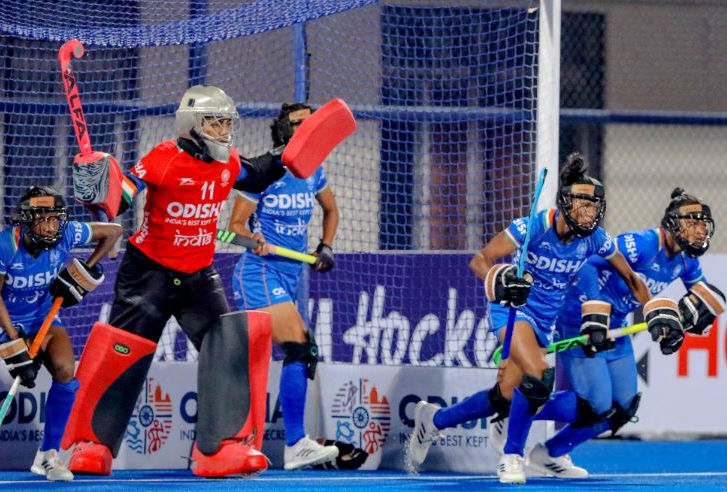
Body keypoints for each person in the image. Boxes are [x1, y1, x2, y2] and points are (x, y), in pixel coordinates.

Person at [61, 85, 292, 478]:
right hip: (147, 274)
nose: (223, 131)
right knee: (121, 354)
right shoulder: (163, 158)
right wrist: (98, 188)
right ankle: (90, 444)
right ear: (192, 125)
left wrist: (291, 152)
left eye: (226, 123)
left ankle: (220, 448)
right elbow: (122, 197)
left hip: (199, 276)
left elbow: (254, 175)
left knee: (229, 347)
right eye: (215, 122)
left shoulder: (227, 163)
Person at [407, 154, 661, 484]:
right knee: (540, 377)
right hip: (514, 312)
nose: (590, 213)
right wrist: (501, 278)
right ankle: (512, 457)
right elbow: (481, 260)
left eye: (594, 207)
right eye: (584, 206)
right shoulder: (533, 227)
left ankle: (433, 420)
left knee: (504, 397)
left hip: (544, 322)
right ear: (566, 204)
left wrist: (655, 310)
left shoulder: (595, 239)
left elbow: (630, 278)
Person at [513, 187, 722, 478]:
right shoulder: (643, 244)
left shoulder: (687, 260)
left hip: (618, 327)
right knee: (595, 405)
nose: (700, 231)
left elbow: (704, 295)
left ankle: (547, 455)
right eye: (693, 223)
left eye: (702, 225)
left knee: (622, 408)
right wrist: (595, 307)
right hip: (580, 320)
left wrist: (694, 319)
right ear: (673, 223)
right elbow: (588, 261)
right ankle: (512, 407)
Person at [0, 186, 122, 481]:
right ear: (26, 221)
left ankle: (48, 455)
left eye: (55, 218)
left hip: (40, 316)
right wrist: (15, 341)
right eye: (42, 219)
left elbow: (114, 232)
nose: (50, 226)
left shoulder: (67, 233)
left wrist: (83, 271)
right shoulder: (4, 245)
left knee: (65, 370)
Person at [229, 102, 345, 470]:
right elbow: (235, 226)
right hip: (258, 272)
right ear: (284, 129)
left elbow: (331, 210)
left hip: (290, 275)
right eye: (298, 124)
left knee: (262, 357)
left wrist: (326, 246)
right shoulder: (264, 172)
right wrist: (254, 239)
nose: (306, 129)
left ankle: (234, 443)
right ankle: (295, 444)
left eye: (311, 123)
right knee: (300, 347)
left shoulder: (314, 171)